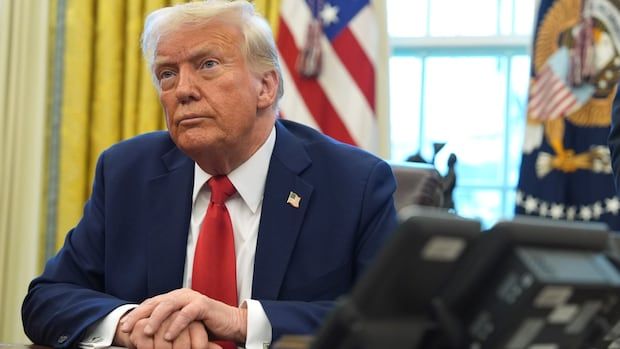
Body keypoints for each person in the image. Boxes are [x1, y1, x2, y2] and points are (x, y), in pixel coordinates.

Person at [21, 1, 398, 348]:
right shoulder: (126, 171)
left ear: (265, 87)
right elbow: (47, 298)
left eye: (208, 65)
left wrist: (241, 322)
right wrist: (130, 324)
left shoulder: (354, 184)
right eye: (167, 74)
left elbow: (387, 322)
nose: (182, 90)